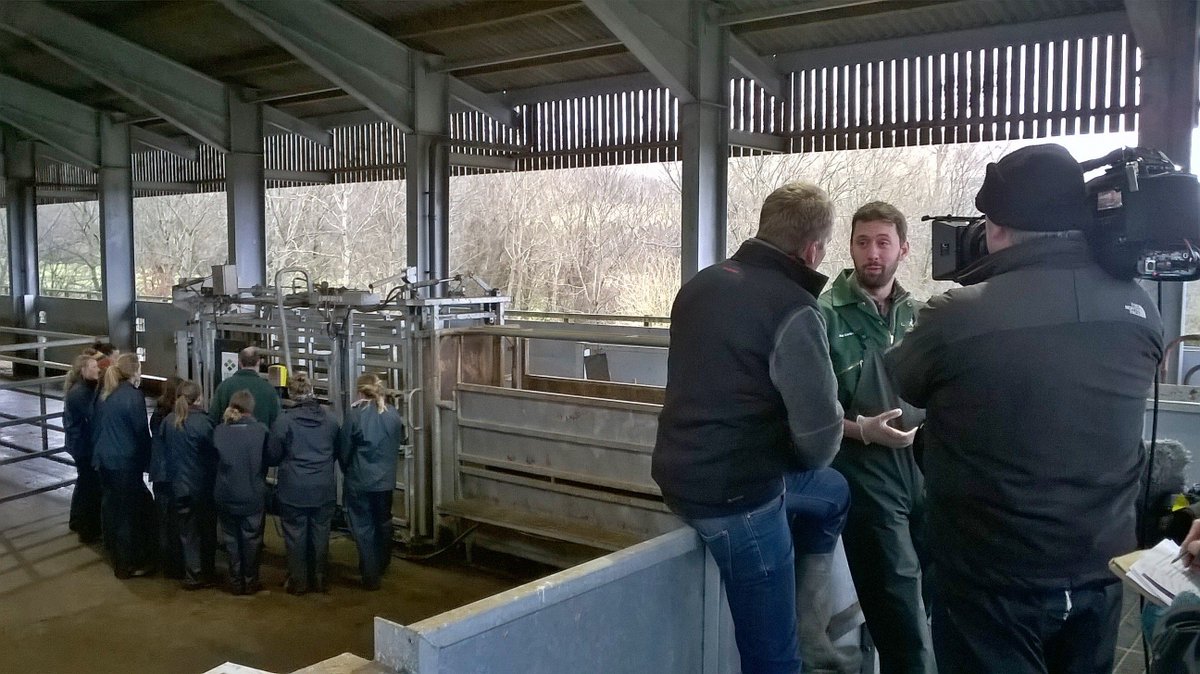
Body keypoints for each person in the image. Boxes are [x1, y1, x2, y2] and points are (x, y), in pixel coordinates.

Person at [884, 143, 1164, 674]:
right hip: (1098, 571)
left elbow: (903, 383)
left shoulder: (956, 316)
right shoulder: (1140, 308)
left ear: (995, 227)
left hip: (991, 580)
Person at [653, 181, 849, 674]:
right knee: (773, 659)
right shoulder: (795, 309)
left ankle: (810, 625)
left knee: (833, 493)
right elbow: (821, 438)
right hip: (739, 500)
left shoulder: (701, 284)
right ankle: (799, 642)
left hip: (677, 473)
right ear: (812, 249)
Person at [818, 202, 934, 674]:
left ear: (903, 249)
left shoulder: (921, 315)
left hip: (923, 471)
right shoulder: (823, 315)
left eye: (883, 243)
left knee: (928, 590)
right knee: (898, 598)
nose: (872, 253)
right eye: (862, 242)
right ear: (849, 246)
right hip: (863, 473)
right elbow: (805, 413)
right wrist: (861, 430)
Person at [268, 372, 343, 594]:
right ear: (312, 392)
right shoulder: (330, 420)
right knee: (320, 534)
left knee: (295, 534)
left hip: (293, 488)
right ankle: (319, 578)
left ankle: (298, 582)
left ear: (291, 394)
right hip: (323, 487)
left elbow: (273, 455)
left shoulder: (284, 421)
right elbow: (337, 451)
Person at [92, 353, 156, 578]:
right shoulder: (133, 396)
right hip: (124, 463)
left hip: (104, 459)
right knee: (127, 513)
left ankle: (115, 554)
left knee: (112, 508)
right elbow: (140, 432)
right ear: (135, 371)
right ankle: (127, 564)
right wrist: (149, 462)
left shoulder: (106, 393)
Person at [340, 373, 404, 590]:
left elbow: (344, 450)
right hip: (385, 481)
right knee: (383, 523)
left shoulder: (355, 415)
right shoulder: (393, 415)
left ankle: (370, 574)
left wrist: (347, 470)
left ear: (359, 390)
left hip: (360, 480)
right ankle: (382, 564)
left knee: (363, 527)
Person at [160, 380, 217, 589]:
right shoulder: (204, 423)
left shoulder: (168, 422)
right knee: (207, 530)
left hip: (178, 485)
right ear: (199, 398)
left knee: (187, 532)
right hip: (202, 487)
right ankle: (208, 572)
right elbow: (214, 454)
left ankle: (193, 573)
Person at [213, 390, 270, 595]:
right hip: (252, 495)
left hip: (225, 494)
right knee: (252, 539)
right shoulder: (261, 431)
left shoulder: (219, 430)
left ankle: (236, 581)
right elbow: (268, 459)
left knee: (231, 539)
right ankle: (250, 581)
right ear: (251, 408)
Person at [63, 353, 102, 544]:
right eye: (94, 367)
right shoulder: (81, 393)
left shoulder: (83, 389)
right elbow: (93, 415)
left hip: (80, 443)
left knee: (84, 481)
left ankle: (77, 520)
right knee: (89, 485)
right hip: (83, 446)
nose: (98, 369)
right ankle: (87, 529)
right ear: (83, 370)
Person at [149, 376, 184, 578]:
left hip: (159, 472)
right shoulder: (176, 416)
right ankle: (177, 564)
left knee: (163, 519)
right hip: (174, 474)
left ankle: (164, 563)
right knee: (178, 521)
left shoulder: (158, 412)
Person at [210, 347, 280, 428]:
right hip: (261, 439)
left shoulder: (224, 386)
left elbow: (213, 418)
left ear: (239, 362)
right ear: (258, 362)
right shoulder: (269, 390)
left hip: (229, 438)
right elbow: (277, 423)